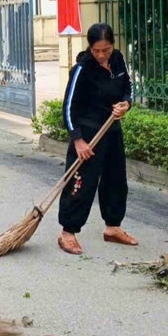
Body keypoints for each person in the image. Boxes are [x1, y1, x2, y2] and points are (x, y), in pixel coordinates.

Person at [58, 23, 136, 255]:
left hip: (112, 129)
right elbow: (68, 108)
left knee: (115, 180)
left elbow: (128, 87)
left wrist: (126, 104)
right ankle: (67, 233)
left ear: (113, 46)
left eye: (106, 50)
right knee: (80, 184)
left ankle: (113, 228)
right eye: (97, 51)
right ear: (90, 47)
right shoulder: (82, 69)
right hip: (88, 135)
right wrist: (78, 141)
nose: (102, 55)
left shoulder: (118, 60)